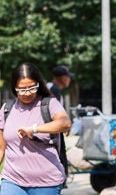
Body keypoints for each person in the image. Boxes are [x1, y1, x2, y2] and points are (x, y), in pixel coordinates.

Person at [0, 62, 72, 194]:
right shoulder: (6, 109)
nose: (27, 93)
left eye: (31, 88)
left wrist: (34, 129)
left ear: (38, 85)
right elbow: (1, 149)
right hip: (12, 180)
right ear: (14, 87)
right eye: (21, 89)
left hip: (47, 183)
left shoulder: (49, 104)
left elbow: (65, 123)